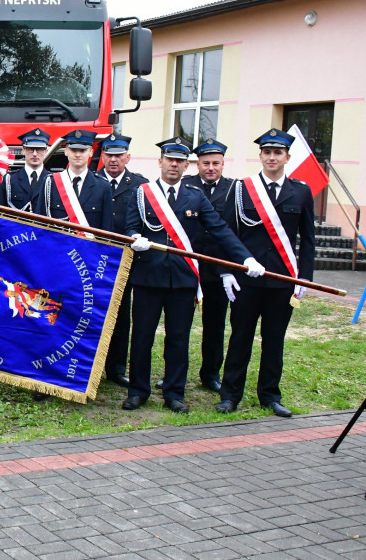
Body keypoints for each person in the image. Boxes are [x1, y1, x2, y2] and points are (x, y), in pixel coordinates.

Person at [124, 138, 263, 414]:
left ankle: (174, 393)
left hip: (182, 279)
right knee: (141, 337)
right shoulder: (141, 193)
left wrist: (245, 257)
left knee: (178, 338)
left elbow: (221, 229)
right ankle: (138, 391)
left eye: (179, 161)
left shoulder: (194, 196)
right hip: (149, 277)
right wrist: (134, 237)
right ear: (160, 161)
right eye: (169, 159)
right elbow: (130, 226)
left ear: (186, 165)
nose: (173, 165)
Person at [216, 129, 315, 418]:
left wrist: (304, 278)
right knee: (240, 338)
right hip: (248, 280)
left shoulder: (301, 191)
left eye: (278, 153)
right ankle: (230, 394)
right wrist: (226, 271)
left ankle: (270, 396)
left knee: (274, 340)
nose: (272, 157)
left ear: (287, 157)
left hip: (283, 281)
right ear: (260, 156)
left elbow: (308, 239)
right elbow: (227, 233)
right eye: (267, 152)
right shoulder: (240, 189)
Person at [182, 138, 237, 392]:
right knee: (179, 324)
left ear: (223, 164)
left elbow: (233, 232)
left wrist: (230, 268)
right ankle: (175, 373)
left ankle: (211, 373)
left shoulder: (235, 190)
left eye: (216, 163)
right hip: (187, 266)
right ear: (198, 164)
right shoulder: (185, 186)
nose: (211, 168)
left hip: (218, 269)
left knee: (215, 324)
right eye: (206, 163)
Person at [94, 134, 148, 388]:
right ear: (102, 156)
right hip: (93, 258)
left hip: (125, 259)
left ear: (128, 157)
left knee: (121, 314)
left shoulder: (140, 185)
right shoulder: (91, 182)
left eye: (118, 155)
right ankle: (91, 364)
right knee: (91, 311)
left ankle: (115, 368)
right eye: (109, 155)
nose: (113, 159)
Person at [34, 129, 113, 231]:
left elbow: (107, 230)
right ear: (66, 151)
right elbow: (40, 224)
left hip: (89, 246)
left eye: (82, 150)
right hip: (58, 245)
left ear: (90, 152)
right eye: (73, 150)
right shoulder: (50, 183)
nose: (77, 154)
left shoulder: (102, 186)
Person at [4, 128, 51, 212]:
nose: (35, 154)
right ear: (23, 150)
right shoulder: (10, 180)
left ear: (46, 151)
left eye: (39, 150)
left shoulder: (53, 181)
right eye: (30, 149)